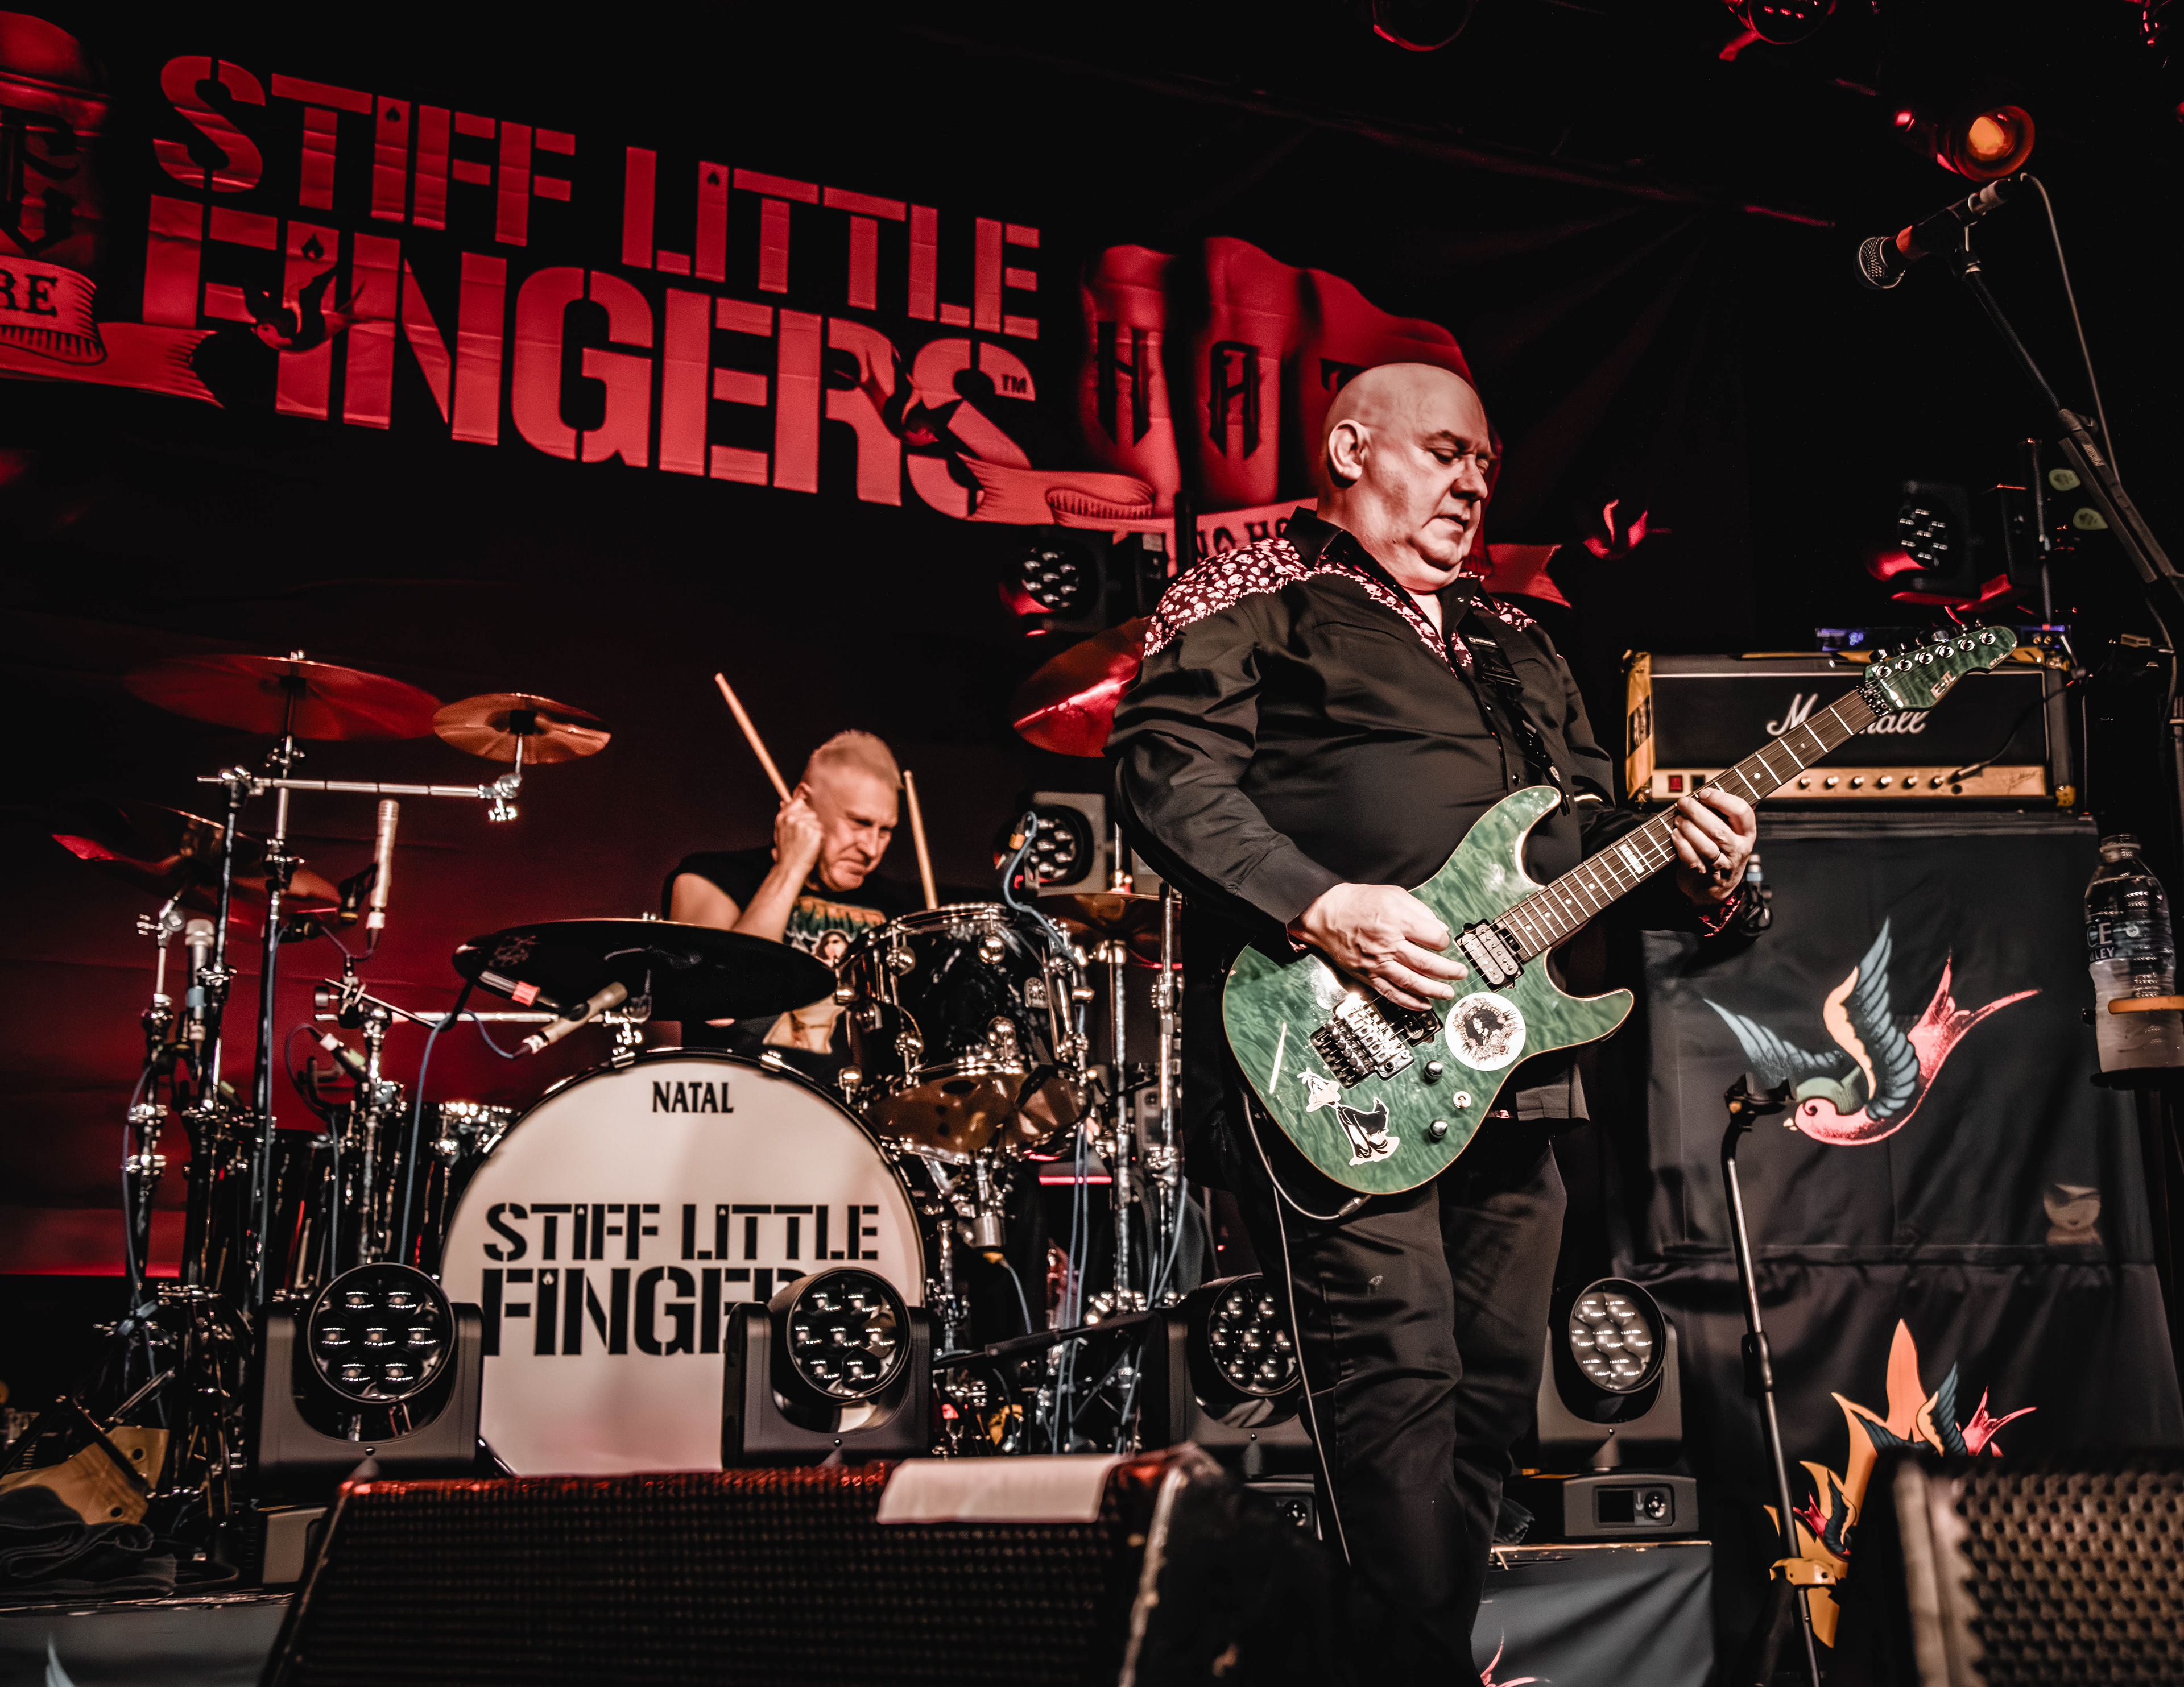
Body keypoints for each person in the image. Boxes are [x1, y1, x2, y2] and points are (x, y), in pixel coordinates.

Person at [1107, 362, 1755, 1677]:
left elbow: (1575, 837)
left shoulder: (1520, 641)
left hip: (1510, 1077)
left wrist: (1697, 869)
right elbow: (1163, 770)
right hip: (1340, 1063)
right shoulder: (1254, 589)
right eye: (1446, 451)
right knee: (1393, 1417)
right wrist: (1322, 905)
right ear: (1353, 448)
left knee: (1480, 1426)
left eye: (1486, 464)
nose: (1473, 480)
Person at [663, 729, 917, 1067]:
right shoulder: (708, 877)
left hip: (856, 1101)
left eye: (885, 831)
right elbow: (721, 1003)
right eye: (859, 823)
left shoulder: (901, 908)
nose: (871, 849)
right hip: (737, 1093)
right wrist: (791, 866)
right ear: (804, 803)